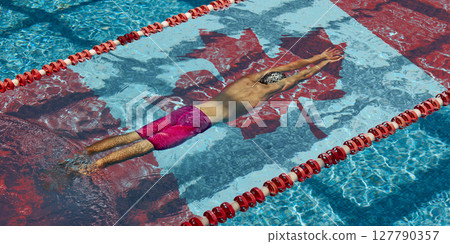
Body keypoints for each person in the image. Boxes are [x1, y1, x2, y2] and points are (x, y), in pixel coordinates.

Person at [86, 47, 344, 168]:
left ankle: (85, 154)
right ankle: (93, 167)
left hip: (187, 110)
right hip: (198, 122)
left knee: (133, 135)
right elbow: (297, 77)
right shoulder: (269, 90)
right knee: (148, 145)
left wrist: (315, 56)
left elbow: (285, 69)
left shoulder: (249, 79)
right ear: (278, 86)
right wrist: (323, 62)